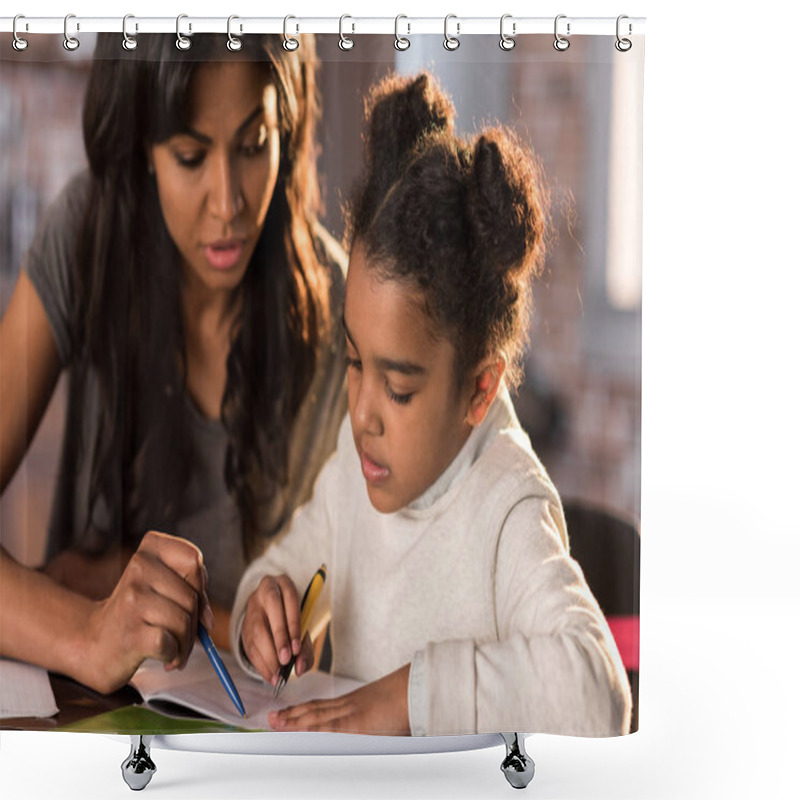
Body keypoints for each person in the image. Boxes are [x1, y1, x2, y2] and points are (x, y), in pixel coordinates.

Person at [232, 73, 632, 736]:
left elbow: (599, 693)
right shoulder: (359, 462)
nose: (362, 412)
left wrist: (407, 698)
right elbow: (284, 570)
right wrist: (260, 612)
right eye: (354, 362)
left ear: (479, 389)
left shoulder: (507, 506)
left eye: (399, 388)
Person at [0, 33, 347, 694]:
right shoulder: (88, 238)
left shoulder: (340, 313)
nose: (228, 203)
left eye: (254, 145)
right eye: (190, 155)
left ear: (289, 127)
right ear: (143, 152)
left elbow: (326, 644)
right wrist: (85, 632)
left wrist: (112, 579)